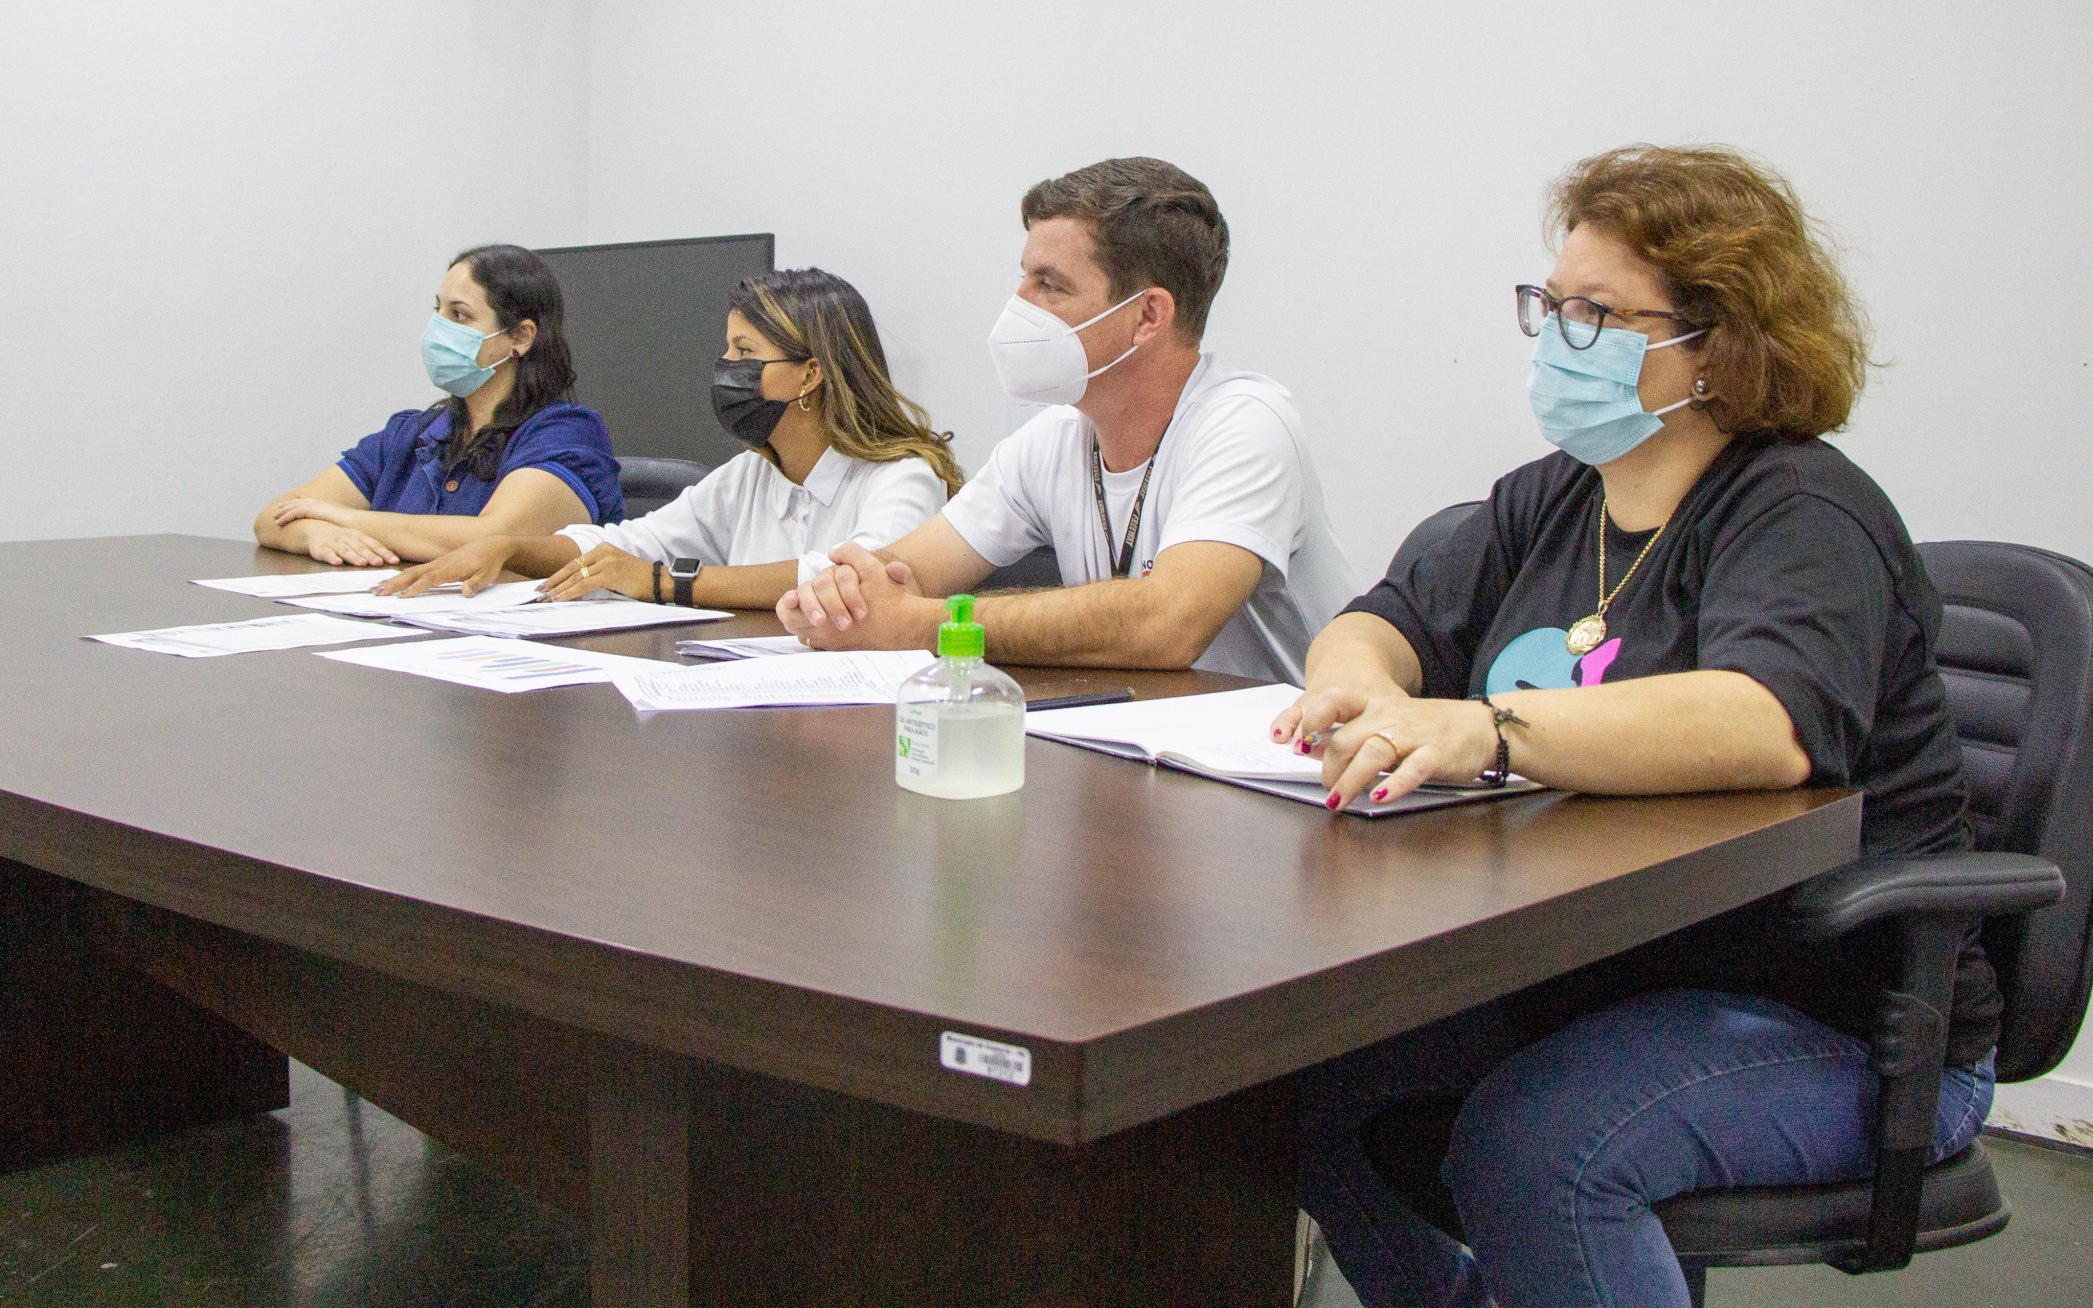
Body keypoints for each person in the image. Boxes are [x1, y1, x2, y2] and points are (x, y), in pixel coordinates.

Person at [1275, 145, 1999, 1308]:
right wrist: (1354, 687)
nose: (1560, 337)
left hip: (1832, 1019)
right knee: (1287, 1089)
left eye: (1599, 314)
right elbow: (1382, 622)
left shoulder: (1803, 510)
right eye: (1551, 304)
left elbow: (1768, 722)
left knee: (1537, 1147)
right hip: (1592, 972)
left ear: (1718, 344)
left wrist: (1489, 728)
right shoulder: (1556, 491)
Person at [777, 156, 1354, 681]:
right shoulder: (1053, 437)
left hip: (1286, 749)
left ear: (1148, 315)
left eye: (1049, 285)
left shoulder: (1247, 423)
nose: (1018, 304)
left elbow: (1168, 623)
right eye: (1024, 277)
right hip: (1134, 737)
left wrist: (918, 624)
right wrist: (839, 593)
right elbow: (911, 569)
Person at [378, 269, 959, 609]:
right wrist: (512, 549)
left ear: (810, 374)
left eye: (745, 352)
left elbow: (856, 579)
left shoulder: (904, 476)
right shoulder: (751, 475)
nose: (725, 366)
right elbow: (631, 544)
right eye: (727, 348)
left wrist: (667, 582)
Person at [254, 244, 624, 566]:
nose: (437, 328)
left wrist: (343, 518)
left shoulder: (567, 434)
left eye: (459, 315)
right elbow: (272, 518)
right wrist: (316, 534)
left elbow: (493, 539)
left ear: (520, 337)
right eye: (438, 310)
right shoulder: (412, 433)